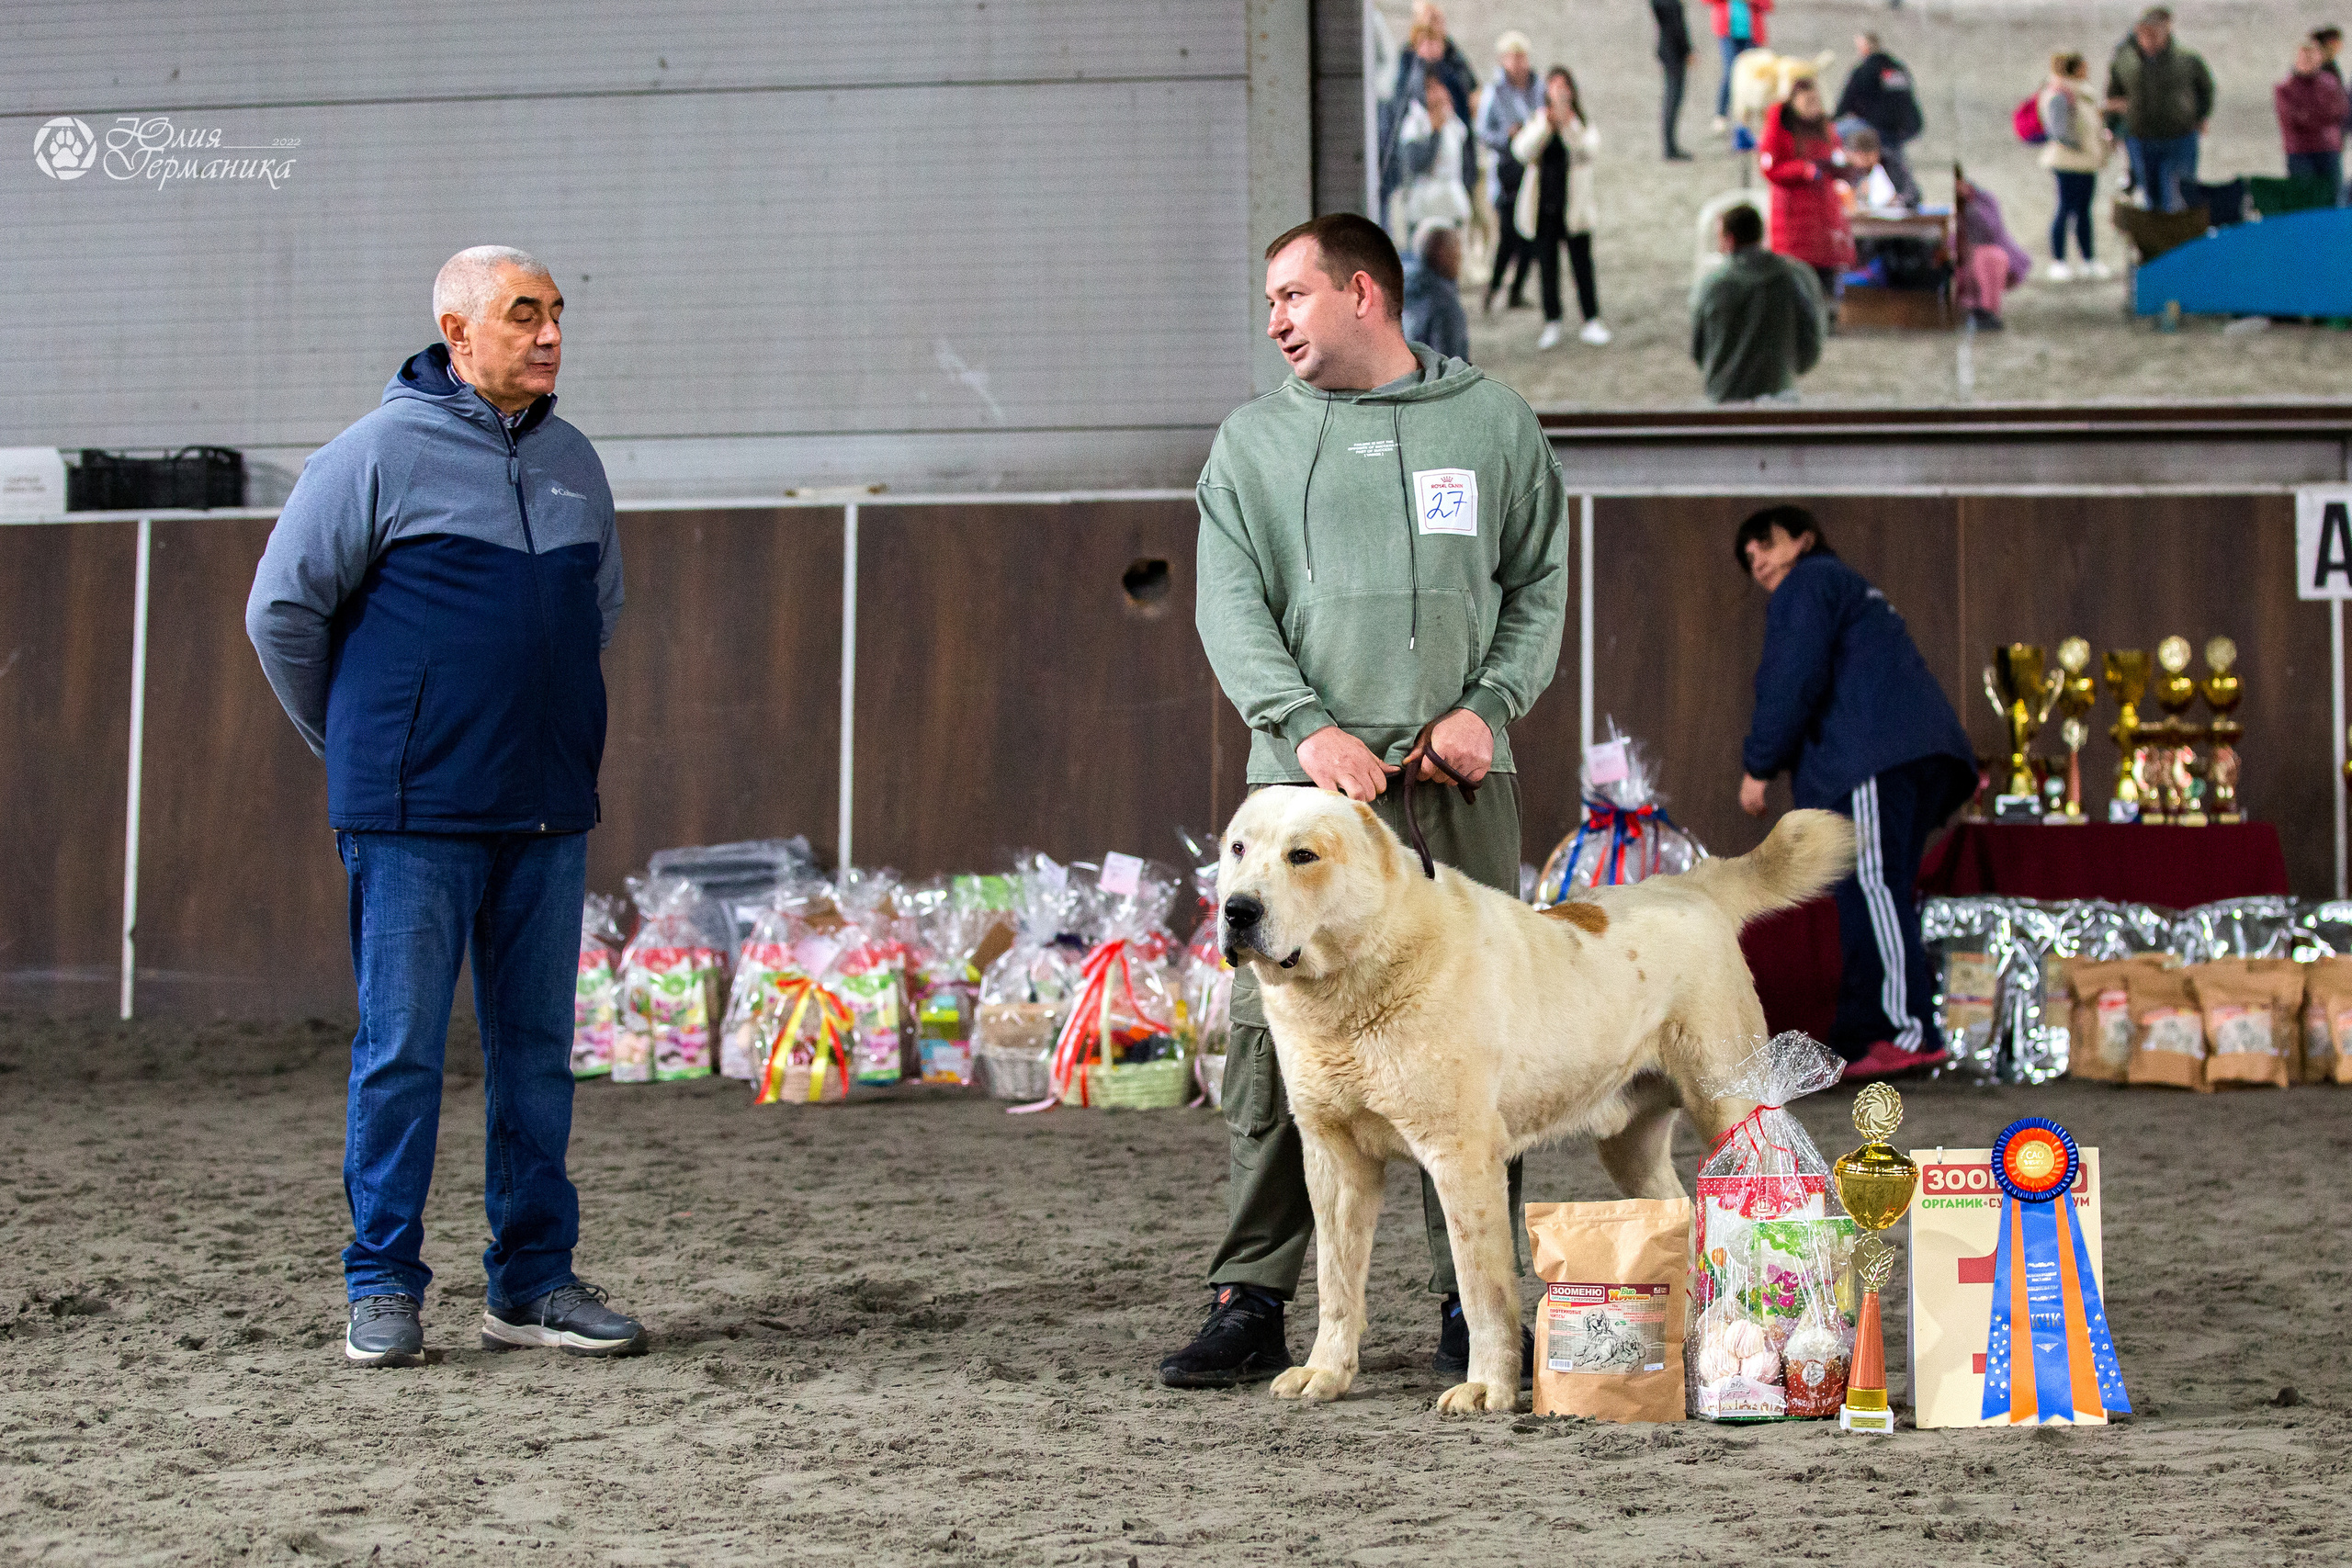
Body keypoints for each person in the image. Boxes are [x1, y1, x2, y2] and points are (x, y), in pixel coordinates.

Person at [1167, 211, 1568, 1389]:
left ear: (1362, 294)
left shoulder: (1492, 423)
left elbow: (1538, 584)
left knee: (1475, 1041)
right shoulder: (1249, 445)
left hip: (1456, 785)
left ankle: (1471, 1308)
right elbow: (1228, 609)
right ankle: (1250, 1298)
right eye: (1269, 302)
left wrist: (1487, 708)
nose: (1275, 320)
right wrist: (1305, 732)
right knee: (1273, 1044)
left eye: (1292, 295)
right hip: (1299, 799)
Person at [245, 246, 644, 1367]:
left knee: (538, 1056)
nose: (551, 334)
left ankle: (532, 1283)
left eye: (556, 313)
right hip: (412, 813)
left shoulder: (573, 460)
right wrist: (360, 745)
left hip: (545, 805)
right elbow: (281, 615)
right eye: (524, 315)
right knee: (402, 1053)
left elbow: (599, 610)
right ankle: (381, 1283)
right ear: (457, 332)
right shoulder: (371, 456)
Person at [1733, 507, 1975, 1080]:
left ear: (1804, 539)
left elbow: (1792, 675)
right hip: (1905, 756)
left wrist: (1759, 765)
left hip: (1870, 757)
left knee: (1871, 885)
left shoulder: (1809, 581)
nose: (1757, 559)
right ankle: (1870, 1030)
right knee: (1876, 890)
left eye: (1765, 543)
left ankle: (1903, 1030)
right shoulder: (1847, 589)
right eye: (1748, 557)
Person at [1510, 67, 1612, 349]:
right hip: (1544, 206)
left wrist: (1567, 124)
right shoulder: (1538, 120)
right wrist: (1546, 125)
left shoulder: (1581, 123)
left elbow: (1587, 150)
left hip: (1574, 206)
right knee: (1547, 267)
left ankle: (1591, 318)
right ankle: (1552, 320)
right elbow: (1521, 150)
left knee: (1582, 264)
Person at [1692, 204, 1825, 403]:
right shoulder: (1794, 276)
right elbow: (1811, 340)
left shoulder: (1713, 285)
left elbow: (1699, 348)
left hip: (1725, 397)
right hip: (1780, 394)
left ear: (1730, 239)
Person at [1758, 74, 1852, 318]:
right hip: (1792, 216)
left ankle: (1827, 317)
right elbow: (1770, 169)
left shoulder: (1825, 127)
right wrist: (1803, 170)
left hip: (1824, 213)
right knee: (1797, 274)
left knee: (1827, 268)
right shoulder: (1779, 128)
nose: (1813, 106)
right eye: (1808, 101)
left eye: (1816, 101)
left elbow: (1836, 153)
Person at [2104, 6, 2214, 214]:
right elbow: (2114, 95)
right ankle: (2156, 234)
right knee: (2150, 198)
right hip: (2141, 139)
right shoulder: (2125, 60)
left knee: (2178, 198)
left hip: (2179, 137)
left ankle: (2178, 232)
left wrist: (2201, 116)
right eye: (2146, 34)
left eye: (2155, 34)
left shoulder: (2187, 60)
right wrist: (2112, 127)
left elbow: (2205, 89)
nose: (2150, 40)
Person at [1383, 6, 1478, 220]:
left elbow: (1469, 92)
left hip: (1453, 180)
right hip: (1421, 188)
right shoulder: (1409, 63)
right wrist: (1422, 62)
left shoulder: (1453, 60)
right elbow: (1401, 103)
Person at [1476, 30, 1544, 313]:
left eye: (1521, 57)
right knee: (1508, 237)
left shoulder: (1537, 87)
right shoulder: (1494, 92)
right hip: (1507, 172)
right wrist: (1507, 136)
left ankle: (1516, 290)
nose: (1518, 63)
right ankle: (1493, 289)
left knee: (1531, 234)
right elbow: (1483, 132)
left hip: (1532, 169)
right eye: (1513, 57)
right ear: (1503, 60)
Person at [2040, 52, 2115, 279]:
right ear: (2075, 69)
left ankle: (2088, 259)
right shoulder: (2061, 94)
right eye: (2083, 66)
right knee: (2065, 208)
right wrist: (2082, 145)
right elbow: (2059, 131)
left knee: (2083, 211)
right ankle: (2059, 261)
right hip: (2069, 162)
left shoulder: (2081, 94)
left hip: (2085, 162)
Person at [1834, 31, 1925, 205]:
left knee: (1837, 130)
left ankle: (1851, 177)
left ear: (1864, 47)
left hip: (1877, 130)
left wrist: (1833, 120)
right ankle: (1906, 193)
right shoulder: (1898, 68)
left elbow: (1847, 101)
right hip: (1904, 129)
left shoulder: (1865, 69)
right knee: (1893, 159)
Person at [1391, 68, 1473, 244]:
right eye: (1430, 88)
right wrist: (1435, 132)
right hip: (1423, 207)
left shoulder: (1453, 122)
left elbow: (1465, 165)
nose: (1437, 93)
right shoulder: (1414, 124)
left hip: (1452, 205)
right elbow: (1416, 164)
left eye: (1440, 87)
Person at [1955, 168, 2031, 330]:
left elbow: (1989, 230)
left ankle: (1987, 310)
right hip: (1963, 259)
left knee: (1988, 257)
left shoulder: (1984, 200)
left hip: (1988, 257)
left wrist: (1968, 203)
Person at [2278, 39, 2350, 200]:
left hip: (2329, 149)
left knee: (2335, 198)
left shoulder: (2330, 82)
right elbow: (2294, 119)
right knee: (2306, 199)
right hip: (2300, 152)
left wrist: (2310, 115)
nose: (2308, 61)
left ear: (2319, 58)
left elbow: (2341, 110)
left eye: (2312, 57)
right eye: (2304, 57)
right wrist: (2322, 117)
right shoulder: (2285, 88)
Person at [1403, 222, 1472, 362]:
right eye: (1456, 252)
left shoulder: (1401, 287)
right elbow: (1450, 365)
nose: (1460, 258)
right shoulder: (1445, 306)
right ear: (1441, 254)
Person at [1705, 0, 1773, 132]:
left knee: (1754, 76)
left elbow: (1767, 5)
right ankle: (1721, 114)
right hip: (1727, 33)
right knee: (1730, 72)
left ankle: (1750, 117)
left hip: (1752, 34)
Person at [1652, 0, 1698, 160]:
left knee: (1671, 98)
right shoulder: (1669, 3)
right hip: (1674, 53)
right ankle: (1670, 147)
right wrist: (1687, 50)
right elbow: (1677, 27)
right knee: (1673, 98)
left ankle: (1670, 145)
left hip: (1667, 49)